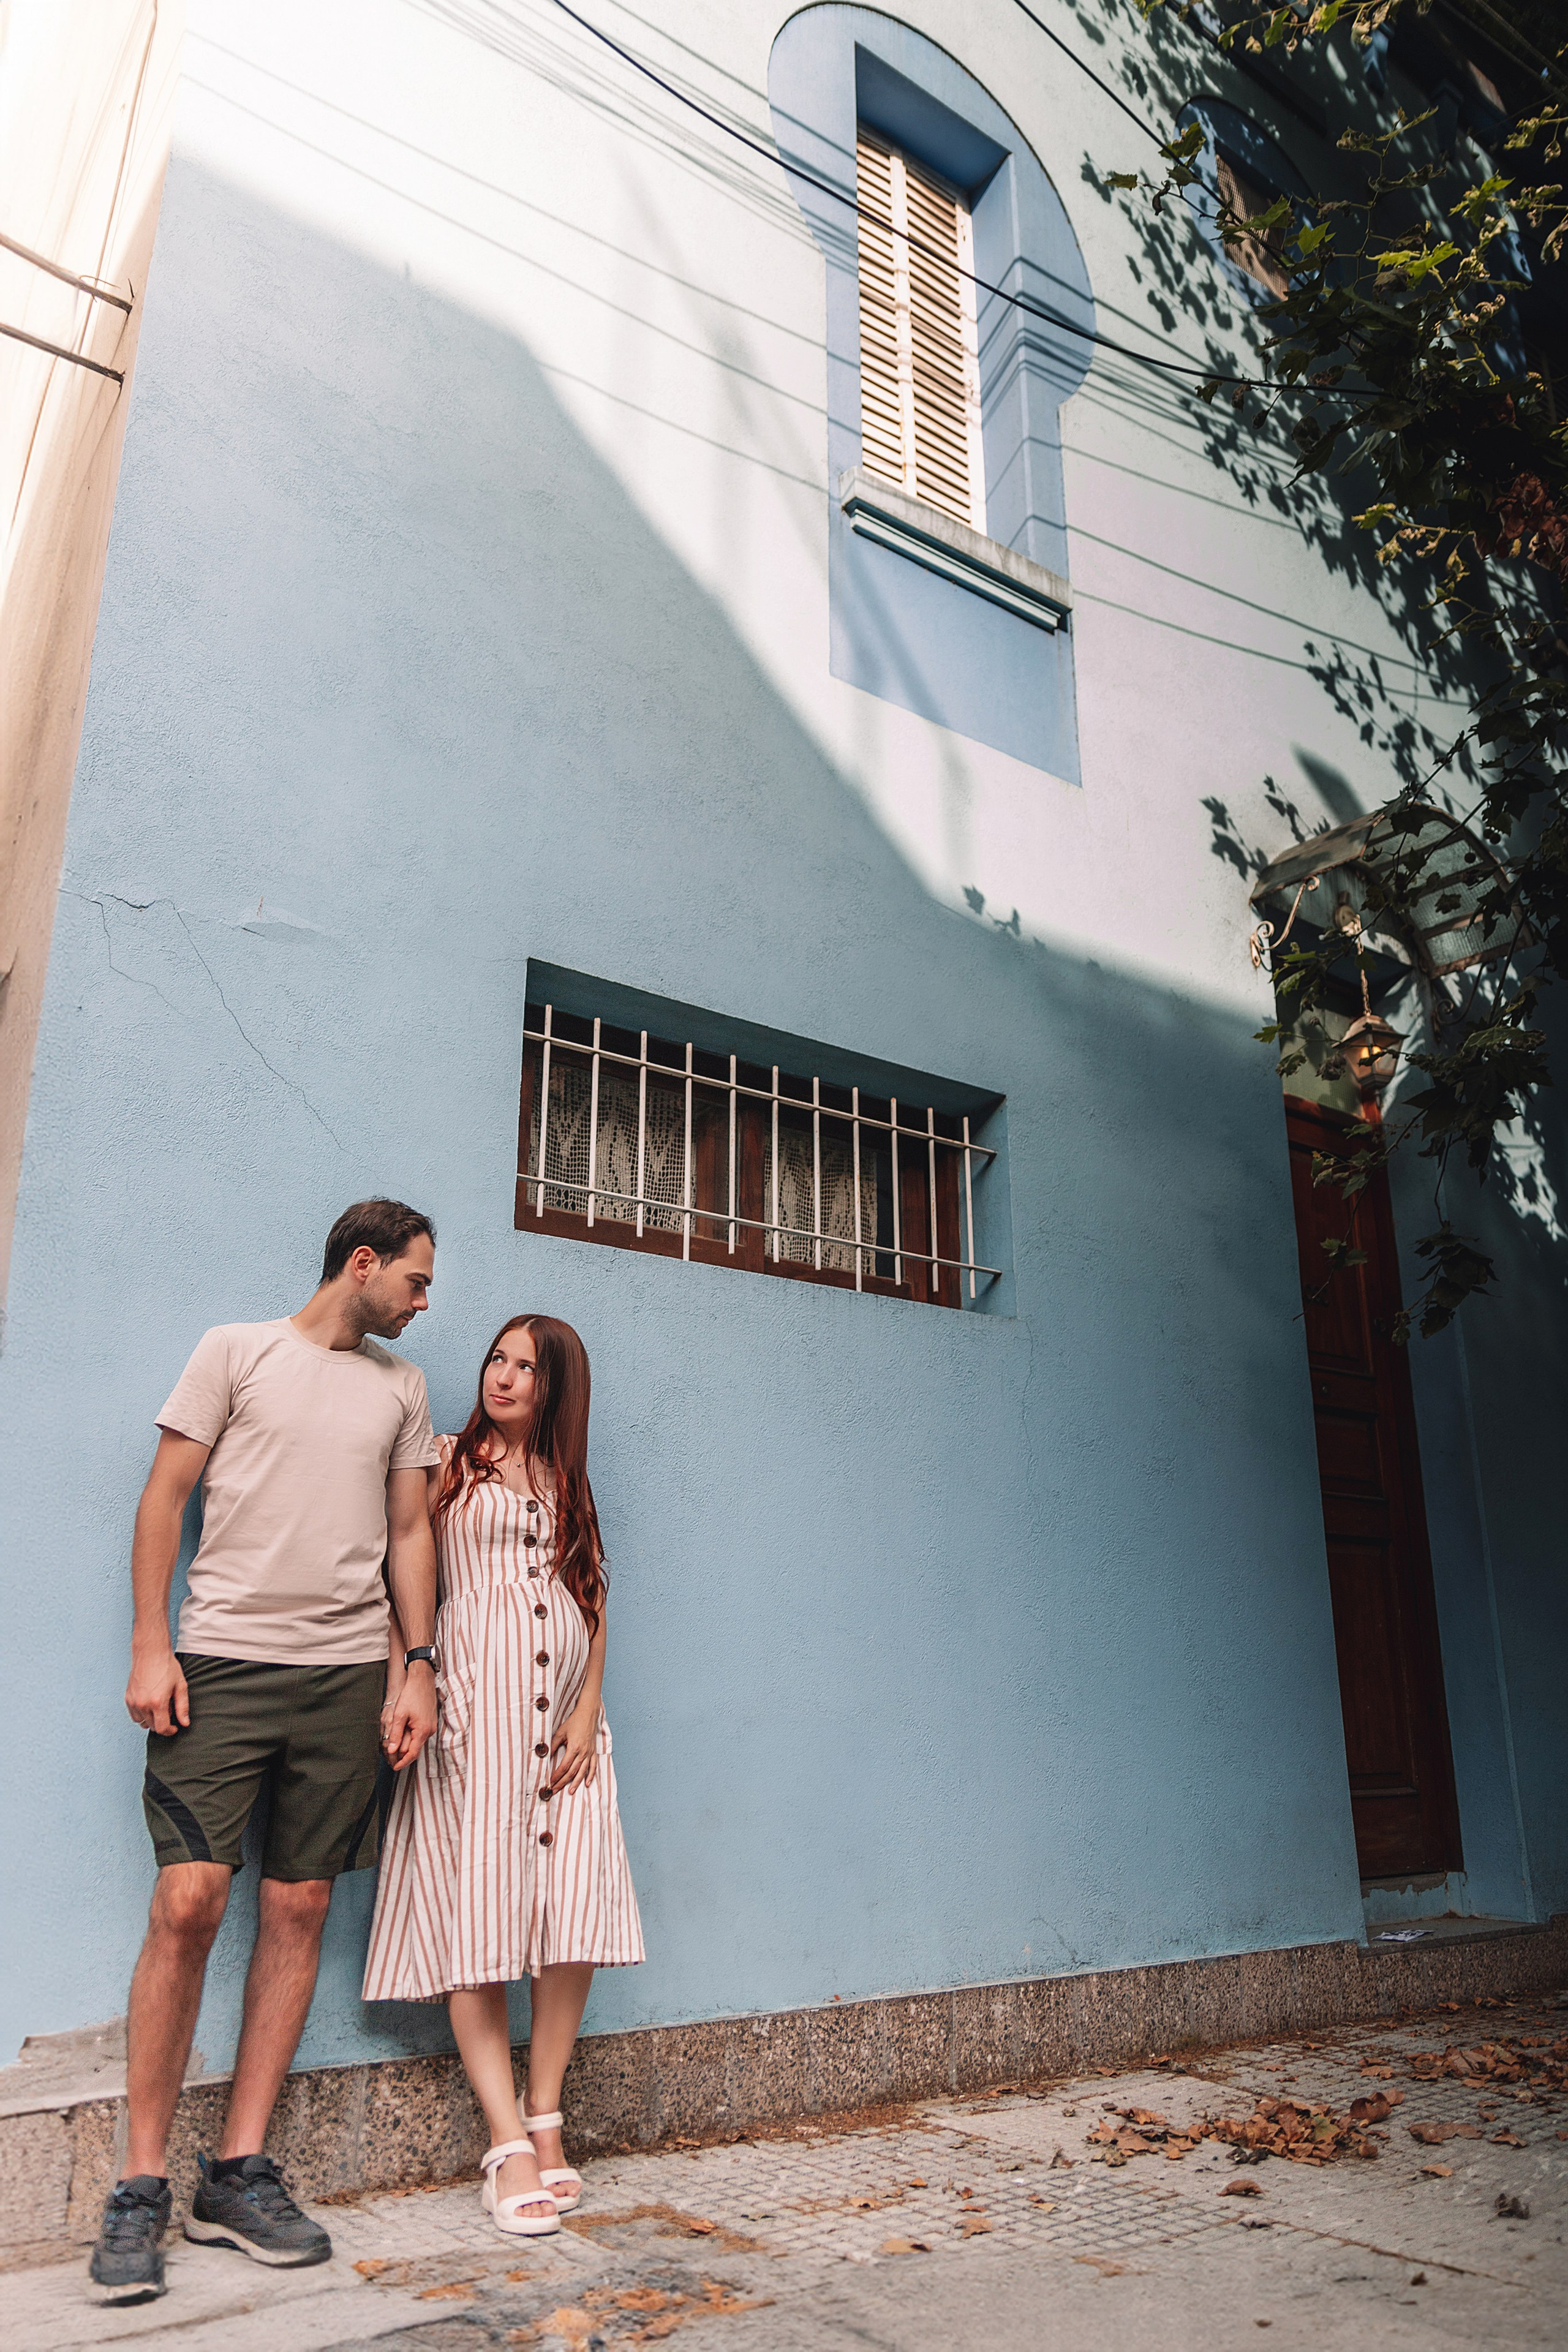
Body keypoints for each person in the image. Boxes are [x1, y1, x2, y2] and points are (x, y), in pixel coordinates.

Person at [88, 1200, 442, 2305]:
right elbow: (165, 1498)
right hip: (223, 1666)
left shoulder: (402, 1388)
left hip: (346, 1679)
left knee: (299, 1907)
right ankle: (141, 2182)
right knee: (188, 1902)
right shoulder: (234, 1351)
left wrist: (417, 1665)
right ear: (362, 1263)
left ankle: (235, 2174)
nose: (424, 1302)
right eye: (416, 1280)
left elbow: (411, 1532)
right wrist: (152, 1645)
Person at [363, 1314, 643, 2237]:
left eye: (526, 1367)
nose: (504, 1377)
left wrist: (589, 1704)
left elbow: (592, 1593)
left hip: (564, 1729)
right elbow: (401, 1573)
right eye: (497, 1358)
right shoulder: (444, 1462)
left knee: (573, 1912)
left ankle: (546, 2111)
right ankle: (505, 2141)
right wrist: (412, 1676)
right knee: (474, 1907)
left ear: (556, 1387)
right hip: (475, 1717)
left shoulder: (567, 1480)